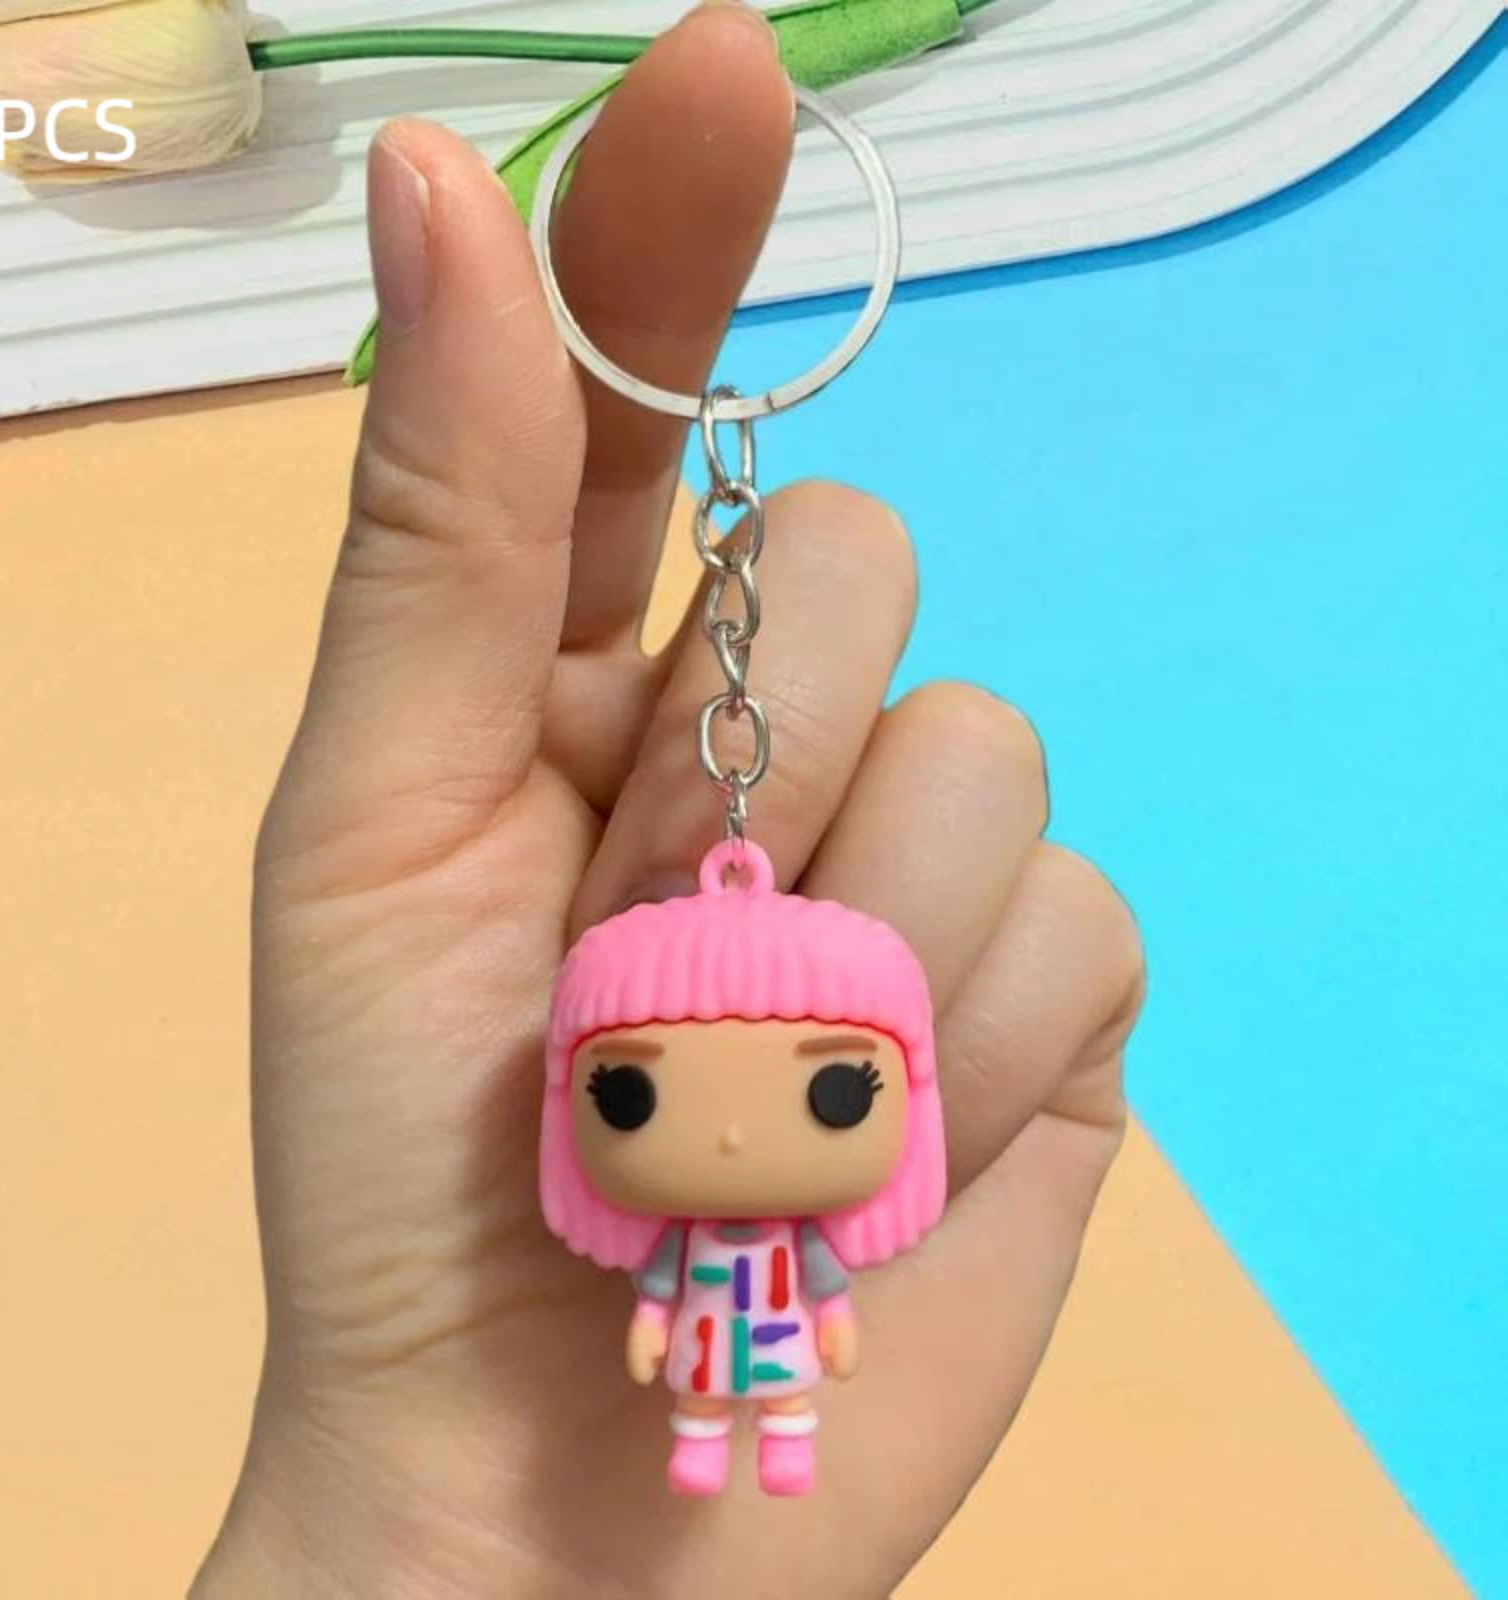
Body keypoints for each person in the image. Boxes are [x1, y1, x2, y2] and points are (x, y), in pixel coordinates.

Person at [193, 2, 1144, 1594]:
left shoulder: (783, 1248)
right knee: (721, 1411)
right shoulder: (650, 1250)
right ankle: (713, 1439)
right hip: (641, 1385)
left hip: (735, 1363)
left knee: (766, 1411)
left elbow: (822, 1298)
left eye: (832, 1098)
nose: (733, 1132)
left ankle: (742, 1438)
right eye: (631, 1099)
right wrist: (436, 1530)